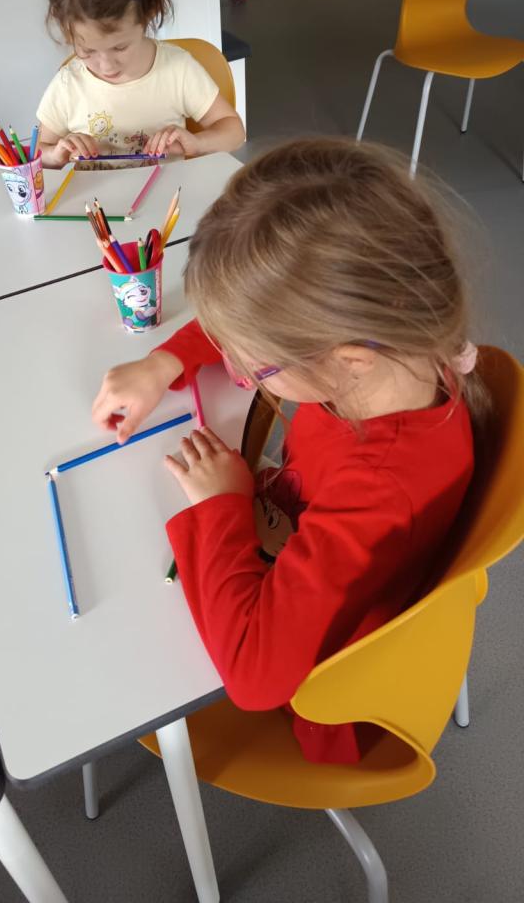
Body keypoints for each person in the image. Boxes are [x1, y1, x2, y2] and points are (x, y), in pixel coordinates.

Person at [91, 138, 487, 763]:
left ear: (347, 358)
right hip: (300, 553)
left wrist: (223, 506)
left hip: (324, 692)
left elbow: (254, 678)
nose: (240, 368)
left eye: (254, 366)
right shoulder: (399, 338)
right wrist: (164, 362)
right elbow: (268, 314)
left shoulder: (378, 491)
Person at [37, 0, 245, 168]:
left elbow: (234, 132)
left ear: (150, 12)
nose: (106, 66)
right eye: (87, 51)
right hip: (98, 194)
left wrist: (196, 143)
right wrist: (56, 154)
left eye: (120, 47)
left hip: (169, 192)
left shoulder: (178, 70)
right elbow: (38, 151)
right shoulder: (68, 85)